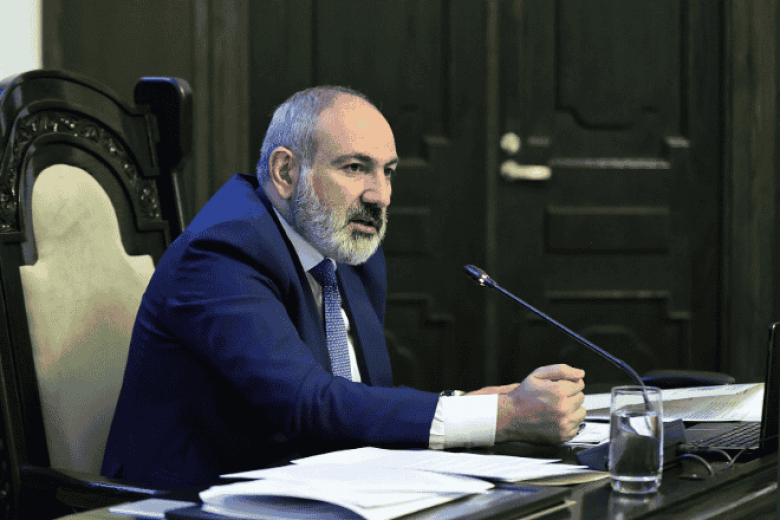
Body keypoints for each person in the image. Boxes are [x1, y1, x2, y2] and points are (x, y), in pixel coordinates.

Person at [101, 86, 586, 487]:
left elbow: (356, 403)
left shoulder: (347, 248)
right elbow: (306, 403)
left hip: (317, 487)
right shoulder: (220, 253)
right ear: (286, 172)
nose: (381, 196)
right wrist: (501, 416)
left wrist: (474, 408)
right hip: (194, 502)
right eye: (355, 168)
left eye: (387, 171)